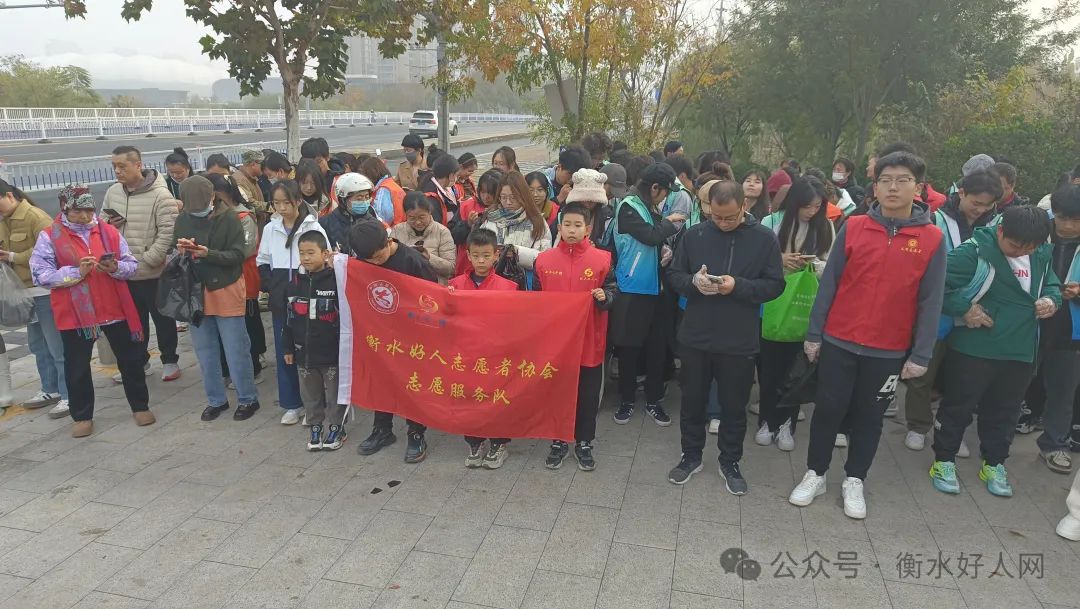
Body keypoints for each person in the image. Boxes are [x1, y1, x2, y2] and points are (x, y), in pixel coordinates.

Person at [789, 151, 946, 520]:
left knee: (870, 416)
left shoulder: (931, 239)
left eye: (902, 180)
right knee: (828, 409)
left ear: (918, 187)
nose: (893, 187)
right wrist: (815, 333)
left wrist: (921, 353)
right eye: (885, 180)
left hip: (887, 349)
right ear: (875, 187)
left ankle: (855, 478)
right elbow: (830, 283)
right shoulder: (856, 226)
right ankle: (816, 473)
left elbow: (931, 300)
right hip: (839, 340)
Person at [931, 205, 1059, 497]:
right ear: (1000, 230)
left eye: (1029, 247)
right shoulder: (973, 252)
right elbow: (934, 283)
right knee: (958, 406)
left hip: (1020, 350)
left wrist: (1052, 300)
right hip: (976, 347)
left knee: (1006, 412)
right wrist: (964, 308)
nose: (1021, 252)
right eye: (1014, 245)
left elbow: (1051, 283)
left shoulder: (1040, 253)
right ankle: (944, 460)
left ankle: (994, 463)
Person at [666, 180, 785, 492]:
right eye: (715, 217)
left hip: (738, 338)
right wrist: (694, 283)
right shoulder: (695, 235)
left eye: (730, 217)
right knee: (692, 401)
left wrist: (738, 286)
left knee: (734, 406)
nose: (722, 223)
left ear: (743, 206)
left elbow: (775, 285)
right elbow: (674, 276)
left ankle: (730, 460)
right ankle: (690, 455)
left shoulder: (763, 239)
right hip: (696, 334)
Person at [29, 189, 154, 438]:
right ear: (65, 209)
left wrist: (115, 267)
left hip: (113, 308)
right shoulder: (49, 236)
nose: (85, 216)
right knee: (77, 366)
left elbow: (131, 265)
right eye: (78, 211)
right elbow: (40, 274)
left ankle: (140, 406)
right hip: (75, 314)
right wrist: (76, 272)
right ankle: (82, 416)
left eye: (89, 210)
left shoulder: (108, 232)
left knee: (130, 359)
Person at [902, 169, 1002, 452]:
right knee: (924, 370)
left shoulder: (995, 227)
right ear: (962, 193)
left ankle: (948, 426)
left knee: (962, 377)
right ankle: (918, 425)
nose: (980, 210)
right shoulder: (935, 221)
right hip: (936, 311)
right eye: (976, 203)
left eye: (987, 205)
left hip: (975, 314)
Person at [532, 202, 617, 471]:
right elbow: (534, 300)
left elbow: (614, 291)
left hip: (589, 341)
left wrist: (605, 297)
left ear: (587, 229)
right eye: (567, 224)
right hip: (555, 344)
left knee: (587, 395)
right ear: (559, 227)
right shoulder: (543, 261)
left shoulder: (602, 260)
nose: (571, 230)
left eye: (577, 225)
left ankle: (584, 441)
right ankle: (558, 440)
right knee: (557, 392)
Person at [173, 176, 262, 422]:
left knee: (236, 349)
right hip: (196, 290)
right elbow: (174, 246)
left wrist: (208, 253)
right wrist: (182, 250)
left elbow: (238, 254)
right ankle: (216, 400)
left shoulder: (230, 218)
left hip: (226, 287)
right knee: (205, 351)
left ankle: (248, 398)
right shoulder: (183, 219)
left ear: (212, 197)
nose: (196, 211)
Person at [756, 177, 835, 450]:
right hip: (773, 304)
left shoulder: (825, 227)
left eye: (817, 206)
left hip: (804, 305)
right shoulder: (772, 222)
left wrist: (812, 265)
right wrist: (780, 259)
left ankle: (787, 423)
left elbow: (831, 266)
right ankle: (767, 420)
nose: (812, 212)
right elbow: (756, 259)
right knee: (770, 369)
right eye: (807, 206)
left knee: (796, 371)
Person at [349, 221, 438, 463]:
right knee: (382, 381)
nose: (377, 263)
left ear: (389, 242)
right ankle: (382, 429)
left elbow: (433, 300)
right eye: (371, 261)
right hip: (381, 335)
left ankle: (416, 433)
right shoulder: (362, 263)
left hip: (412, 338)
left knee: (413, 383)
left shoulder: (413, 262)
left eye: (380, 257)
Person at [607, 164, 685, 426]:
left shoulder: (648, 207)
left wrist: (665, 250)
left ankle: (653, 400)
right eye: (665, 192)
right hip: (632, 288)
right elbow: (650, 236)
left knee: (656, 348)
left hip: (655, 288)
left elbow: (654, 242)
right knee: (629, 348)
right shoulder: (628, 206)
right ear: (654, 188)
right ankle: (627, 400)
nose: (666, 197)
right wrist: (670, 224)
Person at [102, 145, 182, 382]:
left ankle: (170, 360)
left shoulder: (160, 195)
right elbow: (100, 224)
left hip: (153, 271)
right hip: (123, 271)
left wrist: (150, 259)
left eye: (122, 166)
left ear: (138, 165)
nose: (118, 171)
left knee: (163, 318)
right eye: (114, 166)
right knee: (133, 322)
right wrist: (109, 225)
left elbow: (168, 232)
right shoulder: (113, 192)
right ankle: (140, 361)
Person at [257, 180, 328, 425]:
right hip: (281, 300)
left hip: (309, 295)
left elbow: (325, 258)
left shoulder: (313, 226)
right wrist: (273, 287)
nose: (281, 208)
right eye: (276, 203)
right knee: (284, 351)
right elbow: (262, 260)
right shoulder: (271, 228)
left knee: (311, 353)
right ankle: (291, 404)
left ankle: (315, 405)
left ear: (297, 201)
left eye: (286, 203)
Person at [447, 228, 518, 468]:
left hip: (496, 356)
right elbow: (446, 318)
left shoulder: (509, 287)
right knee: (469, 398)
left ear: (496, 255)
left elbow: (516, 323)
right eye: (475, 255)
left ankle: (499, 443)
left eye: (486, 255)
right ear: (467, 255)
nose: (480, 261)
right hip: (466, 355)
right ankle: (474, 441)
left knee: (497, 399)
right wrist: (447, 300)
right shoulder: (455, 285)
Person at [0, 179, 68, 416]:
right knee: (38, 345)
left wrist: (12, 257)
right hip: (23, 295)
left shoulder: (35, 217)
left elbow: (52, 250)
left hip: (44, 292)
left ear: (9, 196)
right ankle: (50, 388)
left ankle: (68, 394)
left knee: (57, 345)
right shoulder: (4, 221)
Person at [283, 230, 347, 451]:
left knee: (335, 392)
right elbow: (288, 320)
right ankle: (315, 425)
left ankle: (337, 426)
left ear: (325, 254)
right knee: (310, 394)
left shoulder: (336, 282)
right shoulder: (293, 285)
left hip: (331, 352)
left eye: (311, 252)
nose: (306, 258)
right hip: (304, 353)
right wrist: (287, 347)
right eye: (302, 253)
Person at [1033, 185, 1080, 475]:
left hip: (1070, 330)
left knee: (1063, 390)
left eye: (1076, 220)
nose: (1069, 226)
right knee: (1012, 383)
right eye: (1063, 218)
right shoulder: (1036, 233)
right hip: (1030, 322)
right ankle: (996, 437)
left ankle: (1054, 444)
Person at [206, 174, 266, 388]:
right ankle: (229, 369)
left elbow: (247, 249)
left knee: (247, 323)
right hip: (221, 275)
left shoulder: (243, 216)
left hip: (243, 275)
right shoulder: (210, 216)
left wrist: (218, 254)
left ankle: (254, 366)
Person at [481, 171, 552, 281]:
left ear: (523, 195)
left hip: (524, 283)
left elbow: (546, 258)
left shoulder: (537, 221)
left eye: (513, 197)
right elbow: (478, 249)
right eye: (503, 197)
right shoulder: (491, 218)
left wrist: (518, 252)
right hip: (492, 281)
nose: (508, 202)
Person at [390, 193, 456, 283]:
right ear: (406, 215)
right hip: (405, 284)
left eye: (422, 217)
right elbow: (390, 260)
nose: (418, 222)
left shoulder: (442, 232)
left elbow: (450, 269)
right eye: (412, 218)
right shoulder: (397, 230)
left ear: (429, 212)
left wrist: (429, 258)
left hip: (433, 285)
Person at [451, 168, 503, 275]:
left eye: (491, 193)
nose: (486, 197)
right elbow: (453, 236)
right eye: (483, 192)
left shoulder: (505, 209)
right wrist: (467, 224)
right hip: (466, 267)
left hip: (495, 269)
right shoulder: (467, 206)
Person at [320, 173, 379, 254]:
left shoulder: (374, 222)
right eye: (359, 198)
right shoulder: (325, 223)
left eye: (367, 197)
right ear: (343, 200)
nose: (364, 202)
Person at [562, 169, 615, 246]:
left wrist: (595, 248)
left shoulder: (606, 218)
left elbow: (611, 248)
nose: (587, 204)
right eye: (584, 199)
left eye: (592, 201)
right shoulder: (564, 214)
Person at [360, 156, 407, 226]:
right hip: (400, 226)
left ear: (371, 173)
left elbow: (383, 217)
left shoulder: (383, 189)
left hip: (392, 228)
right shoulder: (390, 184)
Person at [420, 154, 461, 226]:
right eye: (457, 175)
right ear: (451, 176)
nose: (457, 179)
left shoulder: (449, 187)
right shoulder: (431, 197)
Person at [301, 137, 344, 202]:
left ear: (327, 157)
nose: (314, 166)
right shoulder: (299, 178)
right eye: (309, 162)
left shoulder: (340, 180)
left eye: (318, 162)